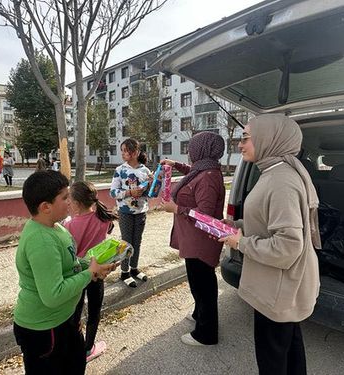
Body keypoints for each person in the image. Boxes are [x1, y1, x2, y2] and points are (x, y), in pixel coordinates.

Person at [219, 114, 321, 375]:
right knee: (288, 346)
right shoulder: (273, 172)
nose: (240, 144)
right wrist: (239, 227)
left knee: (272, 357)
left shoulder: (281, 181)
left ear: (269, 138)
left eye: (245, 138)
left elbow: (287, 247)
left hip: (277, 287)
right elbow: (269, 223)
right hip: (278, 285)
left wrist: (241, 243)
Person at [13, 170, 118, 374]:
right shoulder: (41, 241)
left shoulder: (55, 228)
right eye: (64, 197)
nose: (70, 201)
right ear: (45, 207)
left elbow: (69, 260)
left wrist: (91, 266)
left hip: (64, 320)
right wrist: (88, 274)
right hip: (44, 329)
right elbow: (53, 295)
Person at [160, 131, 226, 347]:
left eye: (193, 147)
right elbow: (192, 173)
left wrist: (177, 208)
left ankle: (206, 334)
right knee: (198, 282)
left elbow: (205, 216)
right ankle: (200, 313)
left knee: (203, 285)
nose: (190, 151)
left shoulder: (208, 177)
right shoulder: (205, 170)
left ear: (202, 149)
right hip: (193, 239)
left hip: (201, 241)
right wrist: (175, 164)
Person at [64, 181, 119, 363]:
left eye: (70, 199)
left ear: (77, 203)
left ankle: (73, 347)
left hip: (78, 274)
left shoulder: (68, 224)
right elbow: (109, 230)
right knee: (94, 312)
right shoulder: (104, 219)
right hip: (97, 273)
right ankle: (88, 348)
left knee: (75, 312)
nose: (68, 203)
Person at [110, 138, 151, 288]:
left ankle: (134, 269)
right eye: (122, 151)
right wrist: (130, 192)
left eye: (125, 151)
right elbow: (113, 192)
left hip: (141, 211)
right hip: (125, 212)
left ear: (135, 152)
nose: (122, 154)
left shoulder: (145, 171)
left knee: (137, 241)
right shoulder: (120, 170)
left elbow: (151, 194)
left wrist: (153, 183)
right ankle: (124, 272)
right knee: (126, 242)